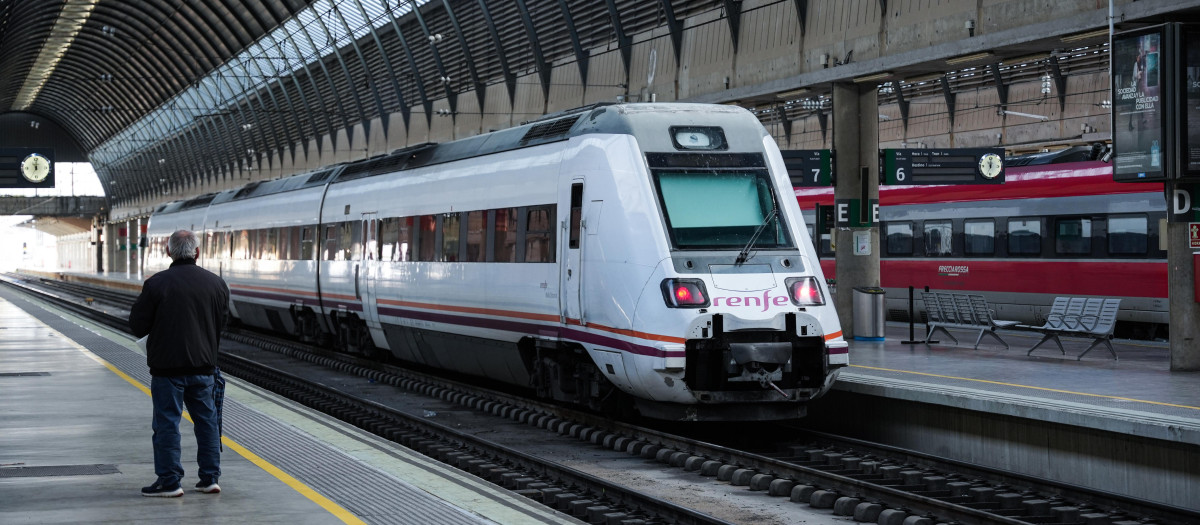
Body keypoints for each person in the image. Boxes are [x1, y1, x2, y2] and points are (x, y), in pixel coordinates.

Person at [129, 229, 230, 497]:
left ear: (168, 252)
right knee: (207, 422)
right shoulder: (217, 284)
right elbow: (223, 324)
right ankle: (210, 478)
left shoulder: (157, 284)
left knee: (167, 423)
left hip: (167, 370)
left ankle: (170, 481)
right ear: (197, 252)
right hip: (205, 368)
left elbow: (137, 325)